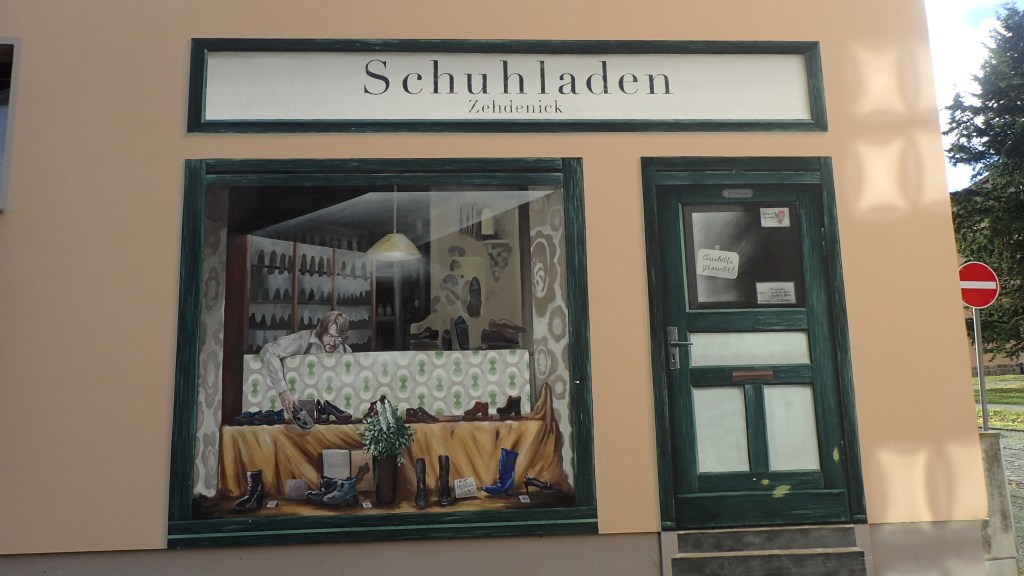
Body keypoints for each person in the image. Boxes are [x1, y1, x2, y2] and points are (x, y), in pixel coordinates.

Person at [260, 311, 352, 414]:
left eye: (338, 338)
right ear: (322, 331)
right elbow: (268, 351)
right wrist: (282, 391)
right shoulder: (303, 339)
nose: (332, 343)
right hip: (299, 405)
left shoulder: (346, 351)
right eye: (329, 336)